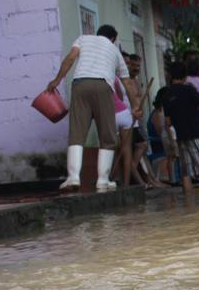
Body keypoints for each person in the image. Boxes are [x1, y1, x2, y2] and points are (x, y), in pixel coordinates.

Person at [46, 24, 141, 192]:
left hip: (80, 84)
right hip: (103, 86)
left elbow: (70, 58)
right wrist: (135, 106)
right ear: (113, 38)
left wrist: (57, 80)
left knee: (77, 132)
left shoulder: (83, 39)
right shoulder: (114, 50)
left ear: (98, 34)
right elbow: (126, 82)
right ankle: (103, 180)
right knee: (107, 135)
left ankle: (73, 177)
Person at [162, 61, 199, 195]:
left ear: (170, 75)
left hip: (181, 136)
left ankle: (189, 206)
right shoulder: (189, 89)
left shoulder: (166, 94)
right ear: (185, 75)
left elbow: (168, 122)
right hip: (198, 134)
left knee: (186, 173)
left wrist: (172, 141)